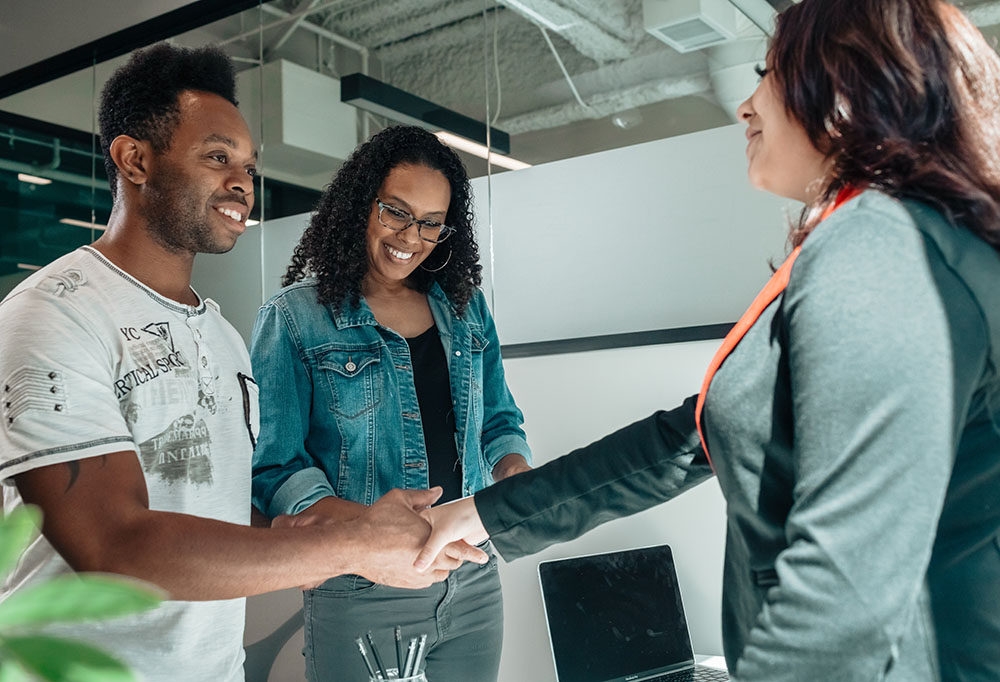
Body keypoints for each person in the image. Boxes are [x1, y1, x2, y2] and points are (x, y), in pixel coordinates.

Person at [415, 1, 1000, 680]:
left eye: (768, 73)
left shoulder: (879, 249)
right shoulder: (904, 241)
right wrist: (485, 514)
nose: (745, 107)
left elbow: (845, 595)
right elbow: (691, 439)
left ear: (845, 87)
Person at [0, 44, 482, 682]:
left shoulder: (220, 334)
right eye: (217, 157)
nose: (242, 184)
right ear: (135, 159)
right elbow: (113, 546)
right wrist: (354, 547)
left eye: (249, 166)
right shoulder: (53, 314)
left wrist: (357, 520)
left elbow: (229, 511)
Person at [250, 125, 533, 682]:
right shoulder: (293, 318)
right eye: (396, 212)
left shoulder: (466, 308)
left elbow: (500, 420)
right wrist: (368, 532)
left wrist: (514, 470)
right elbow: (276, 466)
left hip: (471, 577)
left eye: (431, 223)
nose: (412, 236)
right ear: (362, 205)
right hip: (362, 582)